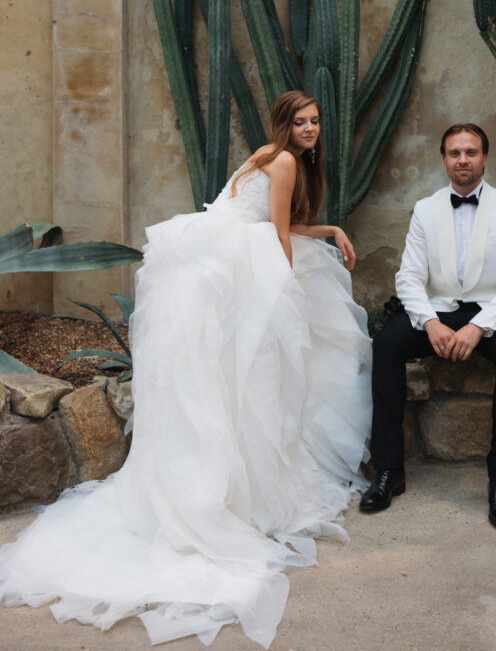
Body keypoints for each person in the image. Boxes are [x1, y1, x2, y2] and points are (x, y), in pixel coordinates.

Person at [0, 91, 372, 648]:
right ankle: (234, 492)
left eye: (317, 121)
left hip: (209, 258)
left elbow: (275, 223)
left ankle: (217, 481)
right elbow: (275, 235)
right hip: (235, 263)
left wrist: (330, 231)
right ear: (286, 125)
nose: (311, 129)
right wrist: (283, 295)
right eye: (302, 121)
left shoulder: (268, 154)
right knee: (258, 368)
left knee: (222, 383)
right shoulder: (288, 160)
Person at [360, 122, 496, 529]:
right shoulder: (426, 209)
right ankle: (389, 472)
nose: (463, 160)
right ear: (443, 159)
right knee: (386, 344)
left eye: (471, 152)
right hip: (437, 308)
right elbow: (408, 277)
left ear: (485, 158)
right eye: (455, 153)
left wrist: (478, 328)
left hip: (494, 311)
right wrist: (430, 322)